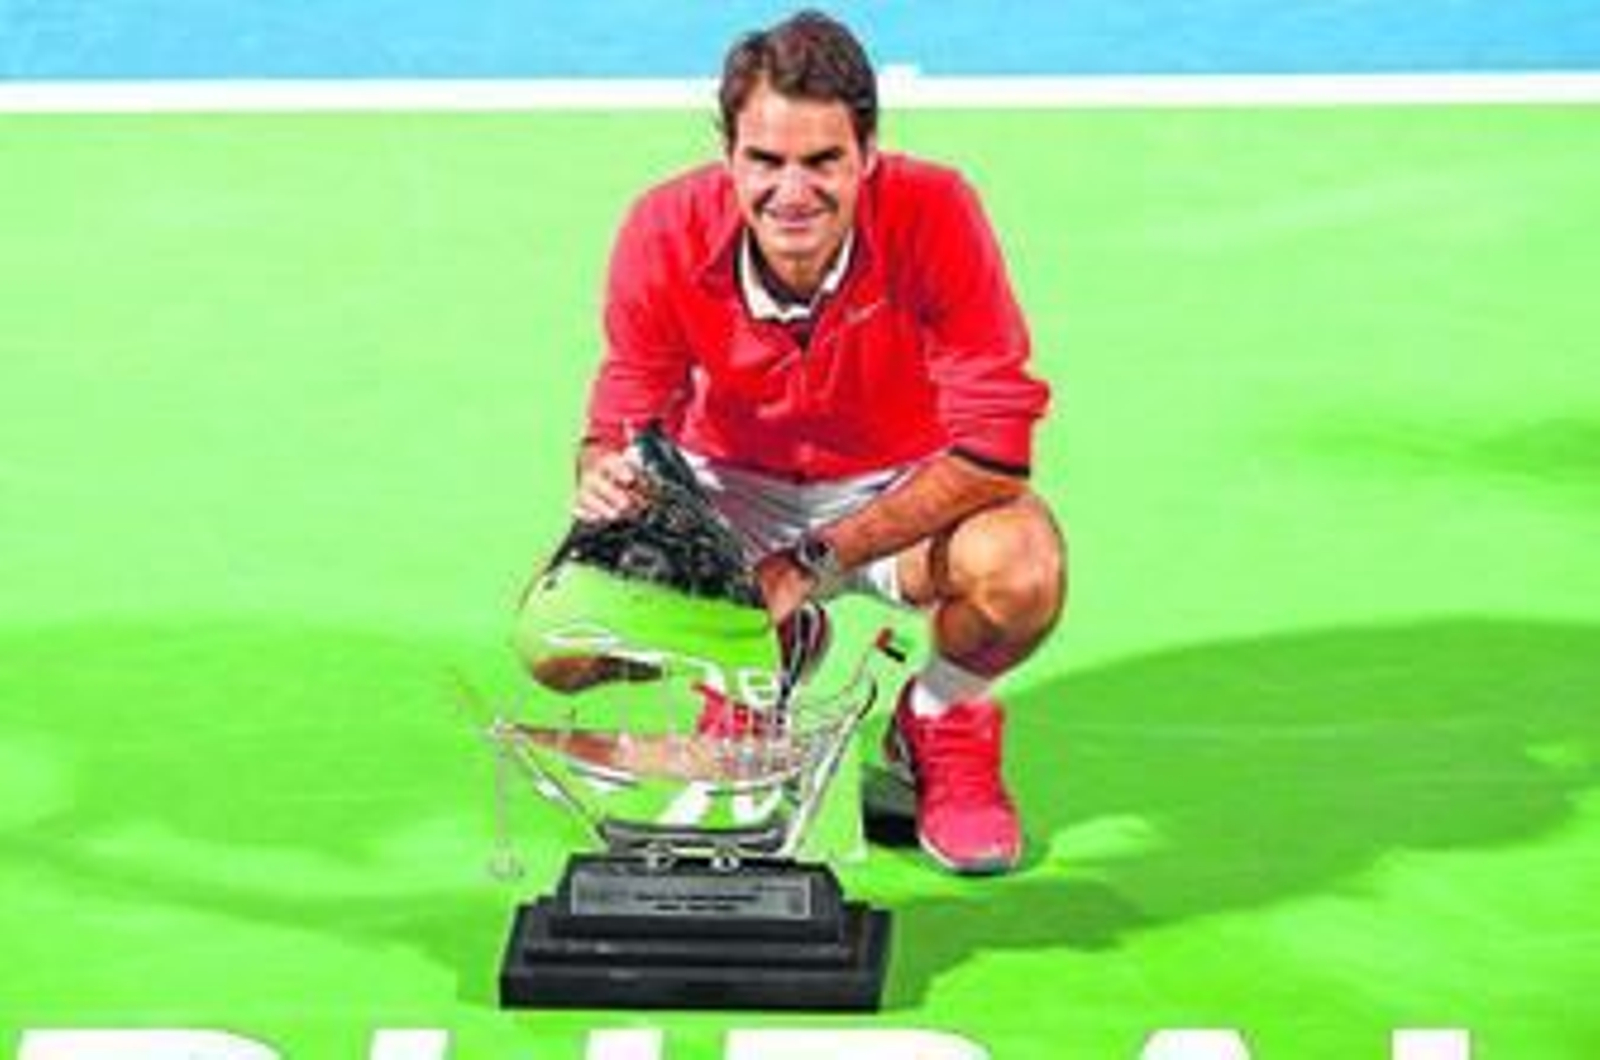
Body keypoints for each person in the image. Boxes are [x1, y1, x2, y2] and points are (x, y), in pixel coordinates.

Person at [569, 10, 1065, 875]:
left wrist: (810, 563)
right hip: (730, 489)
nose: (791, 192)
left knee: (1020, 570)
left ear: (867, 153)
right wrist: (605, 475)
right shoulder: (662, 227)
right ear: (729, 155)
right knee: (568, 648)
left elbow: (994, 446)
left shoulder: (936, 210)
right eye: (765, 160)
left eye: (822, 161)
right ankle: (751, 671)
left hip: (899, 490)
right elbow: (623, 415)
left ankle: (942, 716)